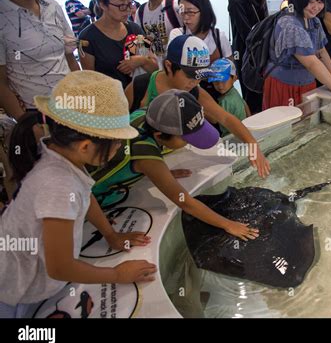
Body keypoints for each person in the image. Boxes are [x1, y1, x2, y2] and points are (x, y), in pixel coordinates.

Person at [0, 71, 156, 318]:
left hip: (35, 279)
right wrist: (117, 274)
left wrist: (111, 234)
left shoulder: (61, 154)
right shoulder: (57, 185)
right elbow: (60, 267)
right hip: (15, 295)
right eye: (116, 142)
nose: (118, 149)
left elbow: (86, 194)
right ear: (86, 146)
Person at [90, 89, 260, 241]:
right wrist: (228, 224)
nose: (188, 144)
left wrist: (162, 172)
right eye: (186, 139)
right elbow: (185, 202)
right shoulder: (146, 157)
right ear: (160, 135)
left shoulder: (145, 114)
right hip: (92, 201)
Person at [126, 35, 271, 178]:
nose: (195, 83)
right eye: (190, 76)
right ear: (169, 66)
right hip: (139, 166)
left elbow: (225, 118)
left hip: (173, 159)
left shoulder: (194, 91)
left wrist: (252, 145)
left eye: (199, 77)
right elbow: (118, 137)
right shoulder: (139, 87)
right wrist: (153, 170)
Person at [263, 0, 331, 110]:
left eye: (320, 2)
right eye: (310, 1)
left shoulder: (314, 21)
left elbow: (322, 51)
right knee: (287, 126)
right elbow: (311, 63)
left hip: (306, 84)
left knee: (307, 124)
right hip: (284, 85)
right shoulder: (289, 24)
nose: (316, 7)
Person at [0, 0, 80, 120]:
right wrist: (25, 123)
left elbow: (69, 57)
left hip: (72, 101)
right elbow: (1, 82)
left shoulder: (51, 5)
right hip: (36, 112)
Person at [79, 0, 158, 89]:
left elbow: (155, 68)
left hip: (141, 99)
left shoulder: (135, 29)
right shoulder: (87, 38)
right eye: (121, 5)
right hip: (111, 101)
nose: (128, 10)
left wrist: (141, 60)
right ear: (103, 5)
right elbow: (89, 82)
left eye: (129, 3)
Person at [169, 0, 233, 100]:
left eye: (190, 12)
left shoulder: (219, 36)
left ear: (203, 11)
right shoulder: (177, 35)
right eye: (182, 12)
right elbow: (174, 71)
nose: (185, 17)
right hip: (189, 94)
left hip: (220, 94)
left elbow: (231, 68)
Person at [228, 0, 268, 114]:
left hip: (260, 51)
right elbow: (246, 32)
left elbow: (265, 22)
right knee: (251, 93)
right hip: (246, 53)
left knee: (262, 92)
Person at [134, 0, 183, 69]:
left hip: (178, 68)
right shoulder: (140, 13)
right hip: (156, 71)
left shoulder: (175, 6)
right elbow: (141, 44)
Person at [208, 58, 251, 136]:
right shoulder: (234, 91)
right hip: (244, 130)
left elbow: (214, 119)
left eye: (224, 81)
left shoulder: (226, 101)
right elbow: (245, 105)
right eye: (216, 82)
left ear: (234, 78)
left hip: (231, 135)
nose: (220, 86)